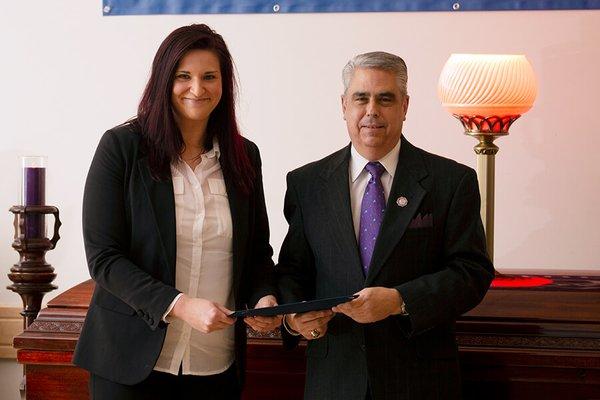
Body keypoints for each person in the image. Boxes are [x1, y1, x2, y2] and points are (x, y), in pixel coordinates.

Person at [73, 24, 281, 400]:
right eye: (183, 76)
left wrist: (265, 298)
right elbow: (104, 258)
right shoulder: (121, 148)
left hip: (216, 364)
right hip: (129, 365)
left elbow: (256, 253)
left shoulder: (244, 156)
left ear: (225, 84)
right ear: (163, 80)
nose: (197, 89)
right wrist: (181, 306)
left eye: (209, 77)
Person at [277, 51, 494, 400]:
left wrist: (398, 301)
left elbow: (471, 273)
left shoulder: (451, 181)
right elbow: (292, 270)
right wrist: (294, 317)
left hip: (419, 380)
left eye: (385, 99)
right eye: (361, 98)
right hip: (334, 381)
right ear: (344, 105)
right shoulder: (307, 183)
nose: (372, 110)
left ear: (405, 106)